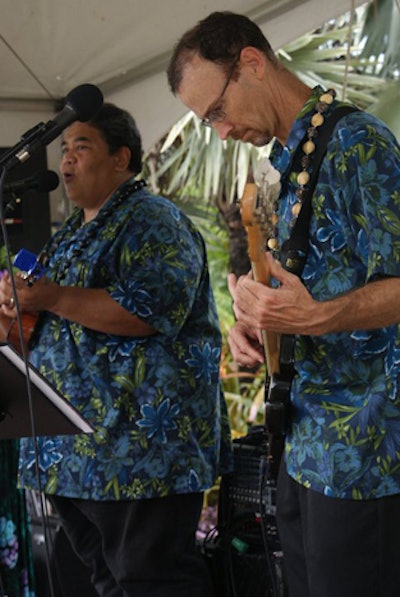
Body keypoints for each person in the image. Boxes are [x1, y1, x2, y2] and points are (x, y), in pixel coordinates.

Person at [167, 11, 400, 597]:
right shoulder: (292, 162)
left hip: (363, 455)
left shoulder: (357, 143)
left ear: (252, 63)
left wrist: (315, 317)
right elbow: (314, 284)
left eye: (216, 111)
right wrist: (259, 321)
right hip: (304, 444)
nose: (219, 132)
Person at [0, 102, 232, 597]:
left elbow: (150, 311)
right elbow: (46, 322)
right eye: (63, 150)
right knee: (104, 581)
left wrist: (53, 296)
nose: (66, 161)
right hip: (74, 456)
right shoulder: (70, 237)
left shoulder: (152, 220)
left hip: (139, 454)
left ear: (121, 158)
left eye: (81, 147)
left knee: (154, 580)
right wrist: (16, 314)